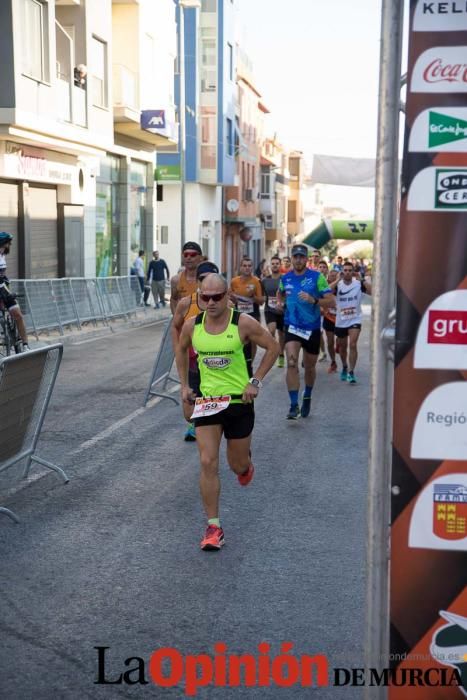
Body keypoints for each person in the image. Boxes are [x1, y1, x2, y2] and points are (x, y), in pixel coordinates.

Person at [175, 273, 279, 551]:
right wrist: (184, 385)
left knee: (237, 465)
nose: (210, 302)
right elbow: (181, 350)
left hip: (238, 402)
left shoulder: (242, 323)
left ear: (227, 297)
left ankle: (245, 464)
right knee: (208, 461)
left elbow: (273, 347)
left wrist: (254, 381)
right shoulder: (192, 326)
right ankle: (213, 527)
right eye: (204, 297)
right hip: (208, 402)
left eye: (216, 297)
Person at [276, 243, 333, 419]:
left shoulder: (317, 277)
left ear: (306, 259)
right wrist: (280, 303)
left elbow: (330, 300)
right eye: (296, 257)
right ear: (292, 258)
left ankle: (307, 394)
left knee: (309, 367)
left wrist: (314, 300)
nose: (298, 260)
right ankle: (294, 405)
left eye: (302, 257)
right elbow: (280, 293)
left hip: (312, 328)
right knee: (292, 362)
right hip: (292, 326)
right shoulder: (285, 278)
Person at [172, 261, 219, 441]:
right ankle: (198, 424)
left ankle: (208, 435)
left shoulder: (227, 305)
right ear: (197, 282)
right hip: (192, 363)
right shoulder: (186, 304)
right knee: (189, 414)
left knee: (212, 415)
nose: (206, 283)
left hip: (217, 365)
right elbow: (175, 327)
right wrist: (179, 349)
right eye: (202, 279)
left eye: (210, 279)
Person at [331, 261, 372, 384]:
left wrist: (363, 279)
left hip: (355, 318)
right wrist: (337, 280)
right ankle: (344, 365)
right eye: (345, 270)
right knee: (342, 347)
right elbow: (326, 291)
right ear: (342, 272)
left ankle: (351, 372)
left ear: (353, 272)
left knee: (353, 344)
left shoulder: (358, 283)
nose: (347, 272)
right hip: (341, 320)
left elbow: (372, 292)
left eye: (350, 270)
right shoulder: (338, 285)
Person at [229, 257, 265, 362]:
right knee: (239, 339)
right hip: (239, 313)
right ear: (240, 268)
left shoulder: (257, 281)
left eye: (249, 266)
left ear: (252, 268)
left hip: (253, 313)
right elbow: (228, 296)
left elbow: (262, 301)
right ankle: (239, 360)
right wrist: (233, 299)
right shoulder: (234, 281)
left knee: (253, 340)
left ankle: (250, 363)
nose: (247, 268)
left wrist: (253, 298)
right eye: (244, 266)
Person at [0, 232, 29, 350]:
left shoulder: (2, 256)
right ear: (3, 243)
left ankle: (25, 344)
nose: (9, 246)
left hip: (4, 286)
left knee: (18, 315)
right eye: (8, 243)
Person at [261, 255, 285, 367]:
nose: (275, 265)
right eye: (273, 263)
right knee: (271, 330)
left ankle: (281, 354)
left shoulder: (284, 279)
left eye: (277, 263)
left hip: (283, 311)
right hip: (269, 310)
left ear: (280, 265)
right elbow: (262, 295)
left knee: (282, 334)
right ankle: (274, 350)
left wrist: (282, 303)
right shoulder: (265, 280)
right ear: (270, 266)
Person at [170, 241, 203, 314]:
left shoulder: (207, 280)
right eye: (186, 255)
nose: (188, 257)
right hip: (184, 323)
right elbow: (173, 299)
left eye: (193, 255)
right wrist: (177, 319)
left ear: (200, 257)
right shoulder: (176, 280)